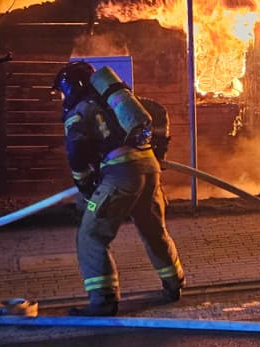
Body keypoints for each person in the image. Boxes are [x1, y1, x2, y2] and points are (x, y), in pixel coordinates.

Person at [54, 61, 185, 316]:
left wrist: (85, 186)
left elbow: (77, 154)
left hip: (120, 174)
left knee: (90, 236)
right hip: (149, 168)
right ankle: (174, 284)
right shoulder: (117, 103)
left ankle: (103, 301)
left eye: (61, 91)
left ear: (70, 87)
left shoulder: (79, 111)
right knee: (153, 230)